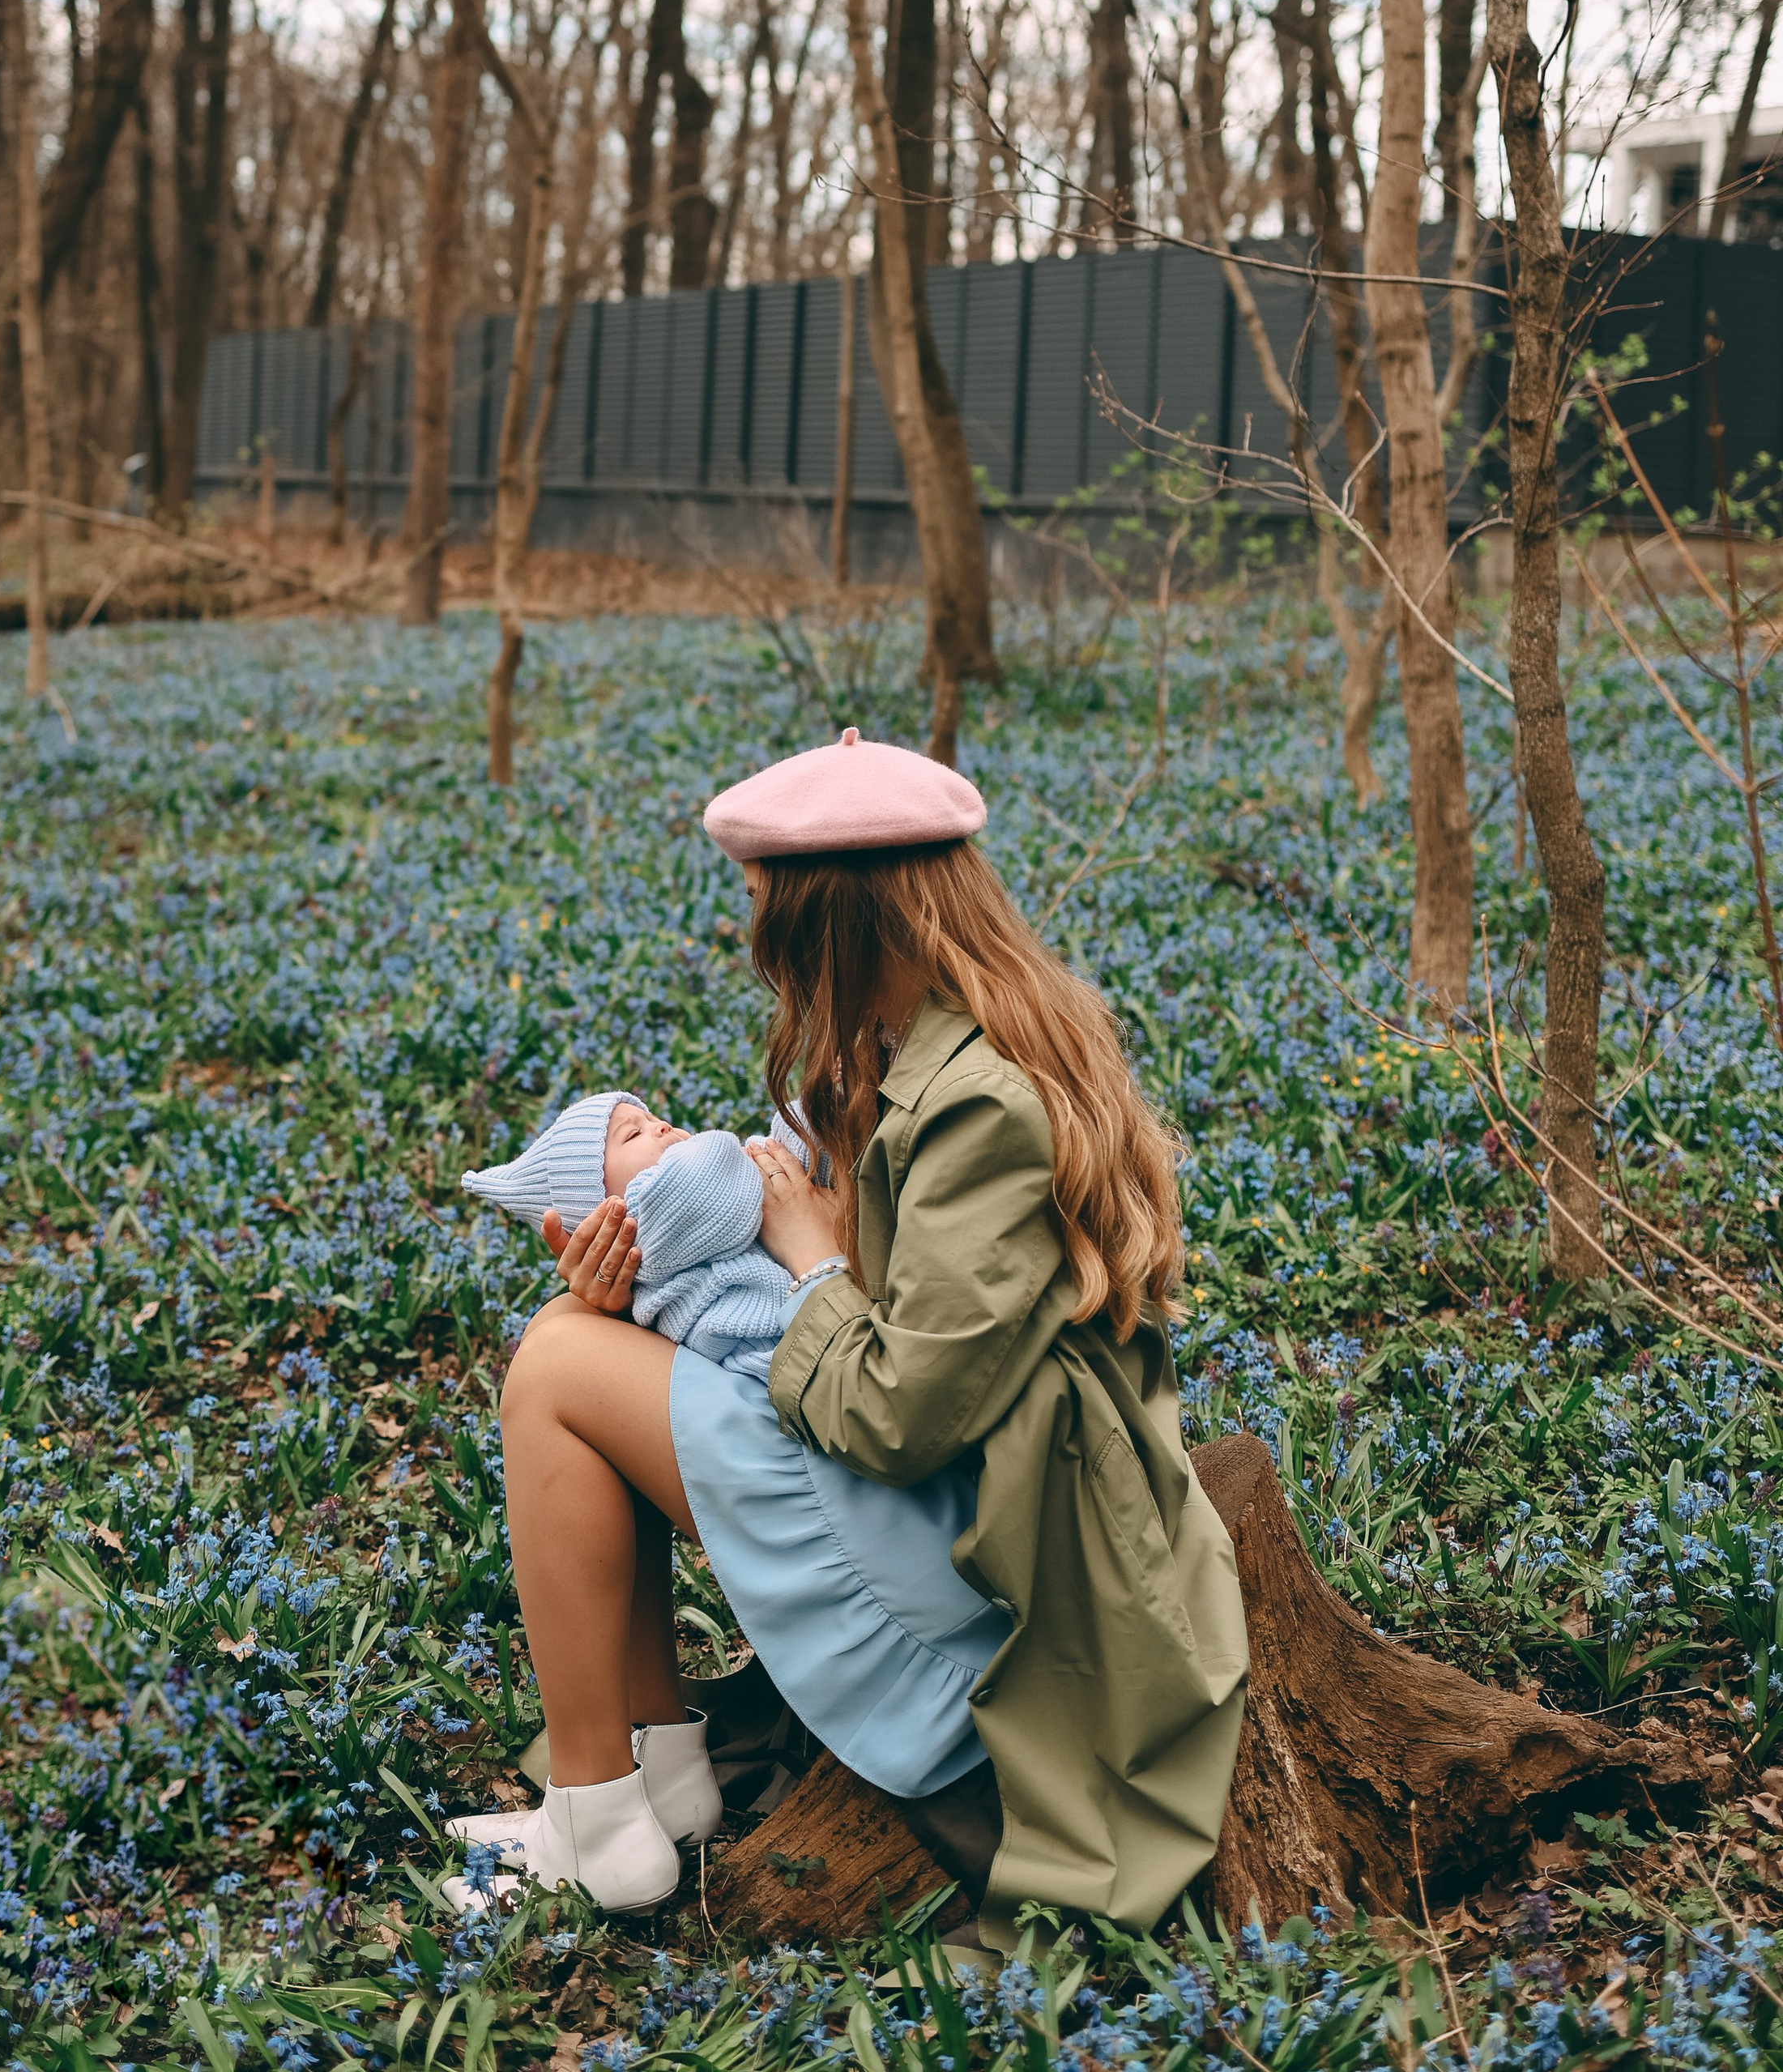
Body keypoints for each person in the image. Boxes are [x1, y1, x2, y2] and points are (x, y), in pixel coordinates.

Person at [444, 727, 1248, 1941]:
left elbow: (896, 1417)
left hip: (989, 1566)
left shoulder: (984, 1102)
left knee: (557, 1366)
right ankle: (651, 1779)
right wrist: (652, 1287)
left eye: (765, 904)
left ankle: (595, 1815)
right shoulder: (907, 1045)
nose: (753, 936)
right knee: (578, 1334)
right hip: (962, 1495)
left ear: (838, 914)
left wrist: (810, 1252)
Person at [462, 1089, 813, 1380]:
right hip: (793, 1359)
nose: (661, 1125)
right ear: (607, 1214)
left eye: (654, 1119)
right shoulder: (670, 1205)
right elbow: (724, 1162)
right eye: (633, 1134)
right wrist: (806, 1116)